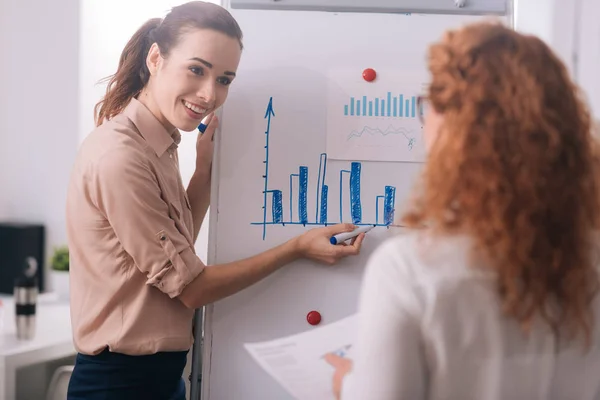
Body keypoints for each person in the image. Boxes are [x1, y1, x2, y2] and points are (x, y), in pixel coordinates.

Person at [64, 2, 364, 399]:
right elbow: (191, 287)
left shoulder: (159, 144)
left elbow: (177, 246)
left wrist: (203, 172)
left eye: (224, 79)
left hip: (155, 378)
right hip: (120, 383)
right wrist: (296, 249)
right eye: (196, 69)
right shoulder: (121, 157)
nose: (210, 94)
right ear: (156, 58)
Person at [326, 22, 600, 400]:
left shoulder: (409, 270)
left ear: (454, 131)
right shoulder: (591, 257)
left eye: (430, 105)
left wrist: (347, 385)